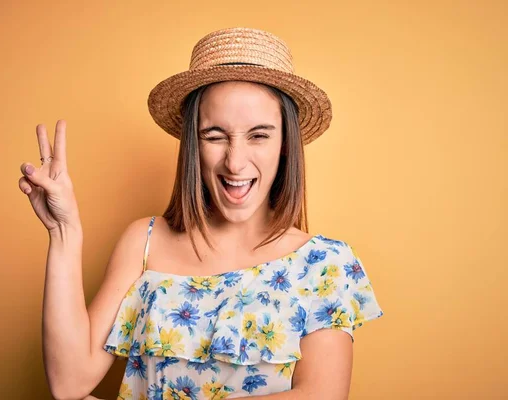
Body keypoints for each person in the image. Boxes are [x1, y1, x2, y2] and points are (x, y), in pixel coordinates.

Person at [19, 27, 384, 400]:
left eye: (259, 135)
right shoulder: (143, 242)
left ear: (286, 143)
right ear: (193, 143)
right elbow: (69, 383)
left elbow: (322, 396)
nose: (235, 161)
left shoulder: (325, 263)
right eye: (215, 135)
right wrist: (64, 232)